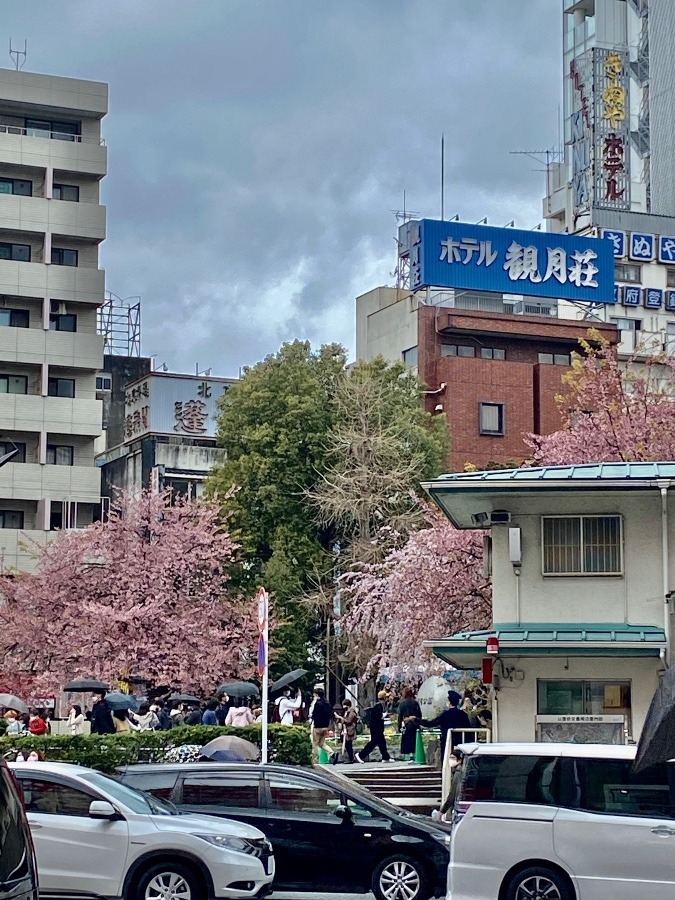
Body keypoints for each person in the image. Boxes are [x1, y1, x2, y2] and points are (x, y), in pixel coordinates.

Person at [416, 690, 471, 764]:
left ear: (449, 701)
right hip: (461, 743)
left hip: (447, 742)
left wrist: (417, 720)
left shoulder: (445, 715)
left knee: (446, 762)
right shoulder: (463, 715)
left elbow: (431, 723)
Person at [356, 691, 391, 763]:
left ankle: (386, 757)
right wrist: (384, 715)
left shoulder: (380, 705)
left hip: (377, 728)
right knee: (373, 742)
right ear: (384, 698)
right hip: (376, 728)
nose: (388, 698)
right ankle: (360, 755)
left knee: (382, 742)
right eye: (386, 697)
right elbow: (378, 716)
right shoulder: (379, 706)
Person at [309, 688, 333, 761]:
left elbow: (315, 714)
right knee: (322, 743)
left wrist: (311, 717)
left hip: (317, 727)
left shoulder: (317, 704)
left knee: (314, 744)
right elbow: (330, 714)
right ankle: (332, 753)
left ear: (317, 694)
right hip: (325, 726)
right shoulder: (327, 703)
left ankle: (315, 759)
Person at [397, 687, 422, 759]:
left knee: (406, 740)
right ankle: (414, 754)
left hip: (406, 725)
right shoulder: (415, 703)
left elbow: (400, 716)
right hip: (415, 724)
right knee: (414, 740)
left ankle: (408, 755)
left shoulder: (402, 704)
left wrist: (399, 727)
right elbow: (419, 714)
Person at [334, 698, 358, 763]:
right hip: (346, 730)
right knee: (347, 745)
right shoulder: (346, 712)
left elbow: (349, 721)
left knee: (349, 745)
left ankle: (351, 758)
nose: (343, 707)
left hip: (350, 730)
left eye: (344, 705)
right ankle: (350, 758)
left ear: (348, 705)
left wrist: (340, 718)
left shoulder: (352, 712)